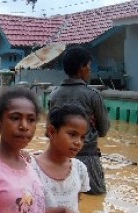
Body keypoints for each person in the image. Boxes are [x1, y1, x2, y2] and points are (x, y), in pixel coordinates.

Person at [31, 104, 101, 213]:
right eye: (72, 134)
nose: (78, 142)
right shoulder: (30, 168)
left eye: (83, 137)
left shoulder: (80, 169)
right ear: (52, 131)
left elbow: (75, 205)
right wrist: (61, 212)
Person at [49, 46, 110, 195]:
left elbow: (50, 131)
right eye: (88, 66)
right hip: (88, 159)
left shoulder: (54, 95)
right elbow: (103, 129)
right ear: (81, 68)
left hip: (60, 159)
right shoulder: (93, 95)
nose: (90, 70)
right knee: (96, 199)